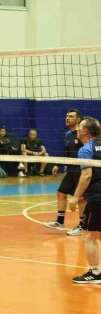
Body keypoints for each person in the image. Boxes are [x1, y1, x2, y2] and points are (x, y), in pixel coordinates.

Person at [69, 117, 101, 284]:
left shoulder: (86, 149)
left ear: (85, 131)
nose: (77, 129)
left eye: (80, 127)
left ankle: (95, 273)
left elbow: (87, 175)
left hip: (97, 197)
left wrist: (75, 197)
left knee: (89, 235)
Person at [44, 109, 85, 235]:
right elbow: (67, 152)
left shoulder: (83, 133)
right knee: (61, 192)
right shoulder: (68, 134)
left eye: (71, 116)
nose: (67, 118)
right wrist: (57, 164)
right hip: (72, 169)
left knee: (81, 198)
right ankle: (60, 222)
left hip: (82, 169)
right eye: (67, 116)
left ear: (78, 120)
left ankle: (82, 226)